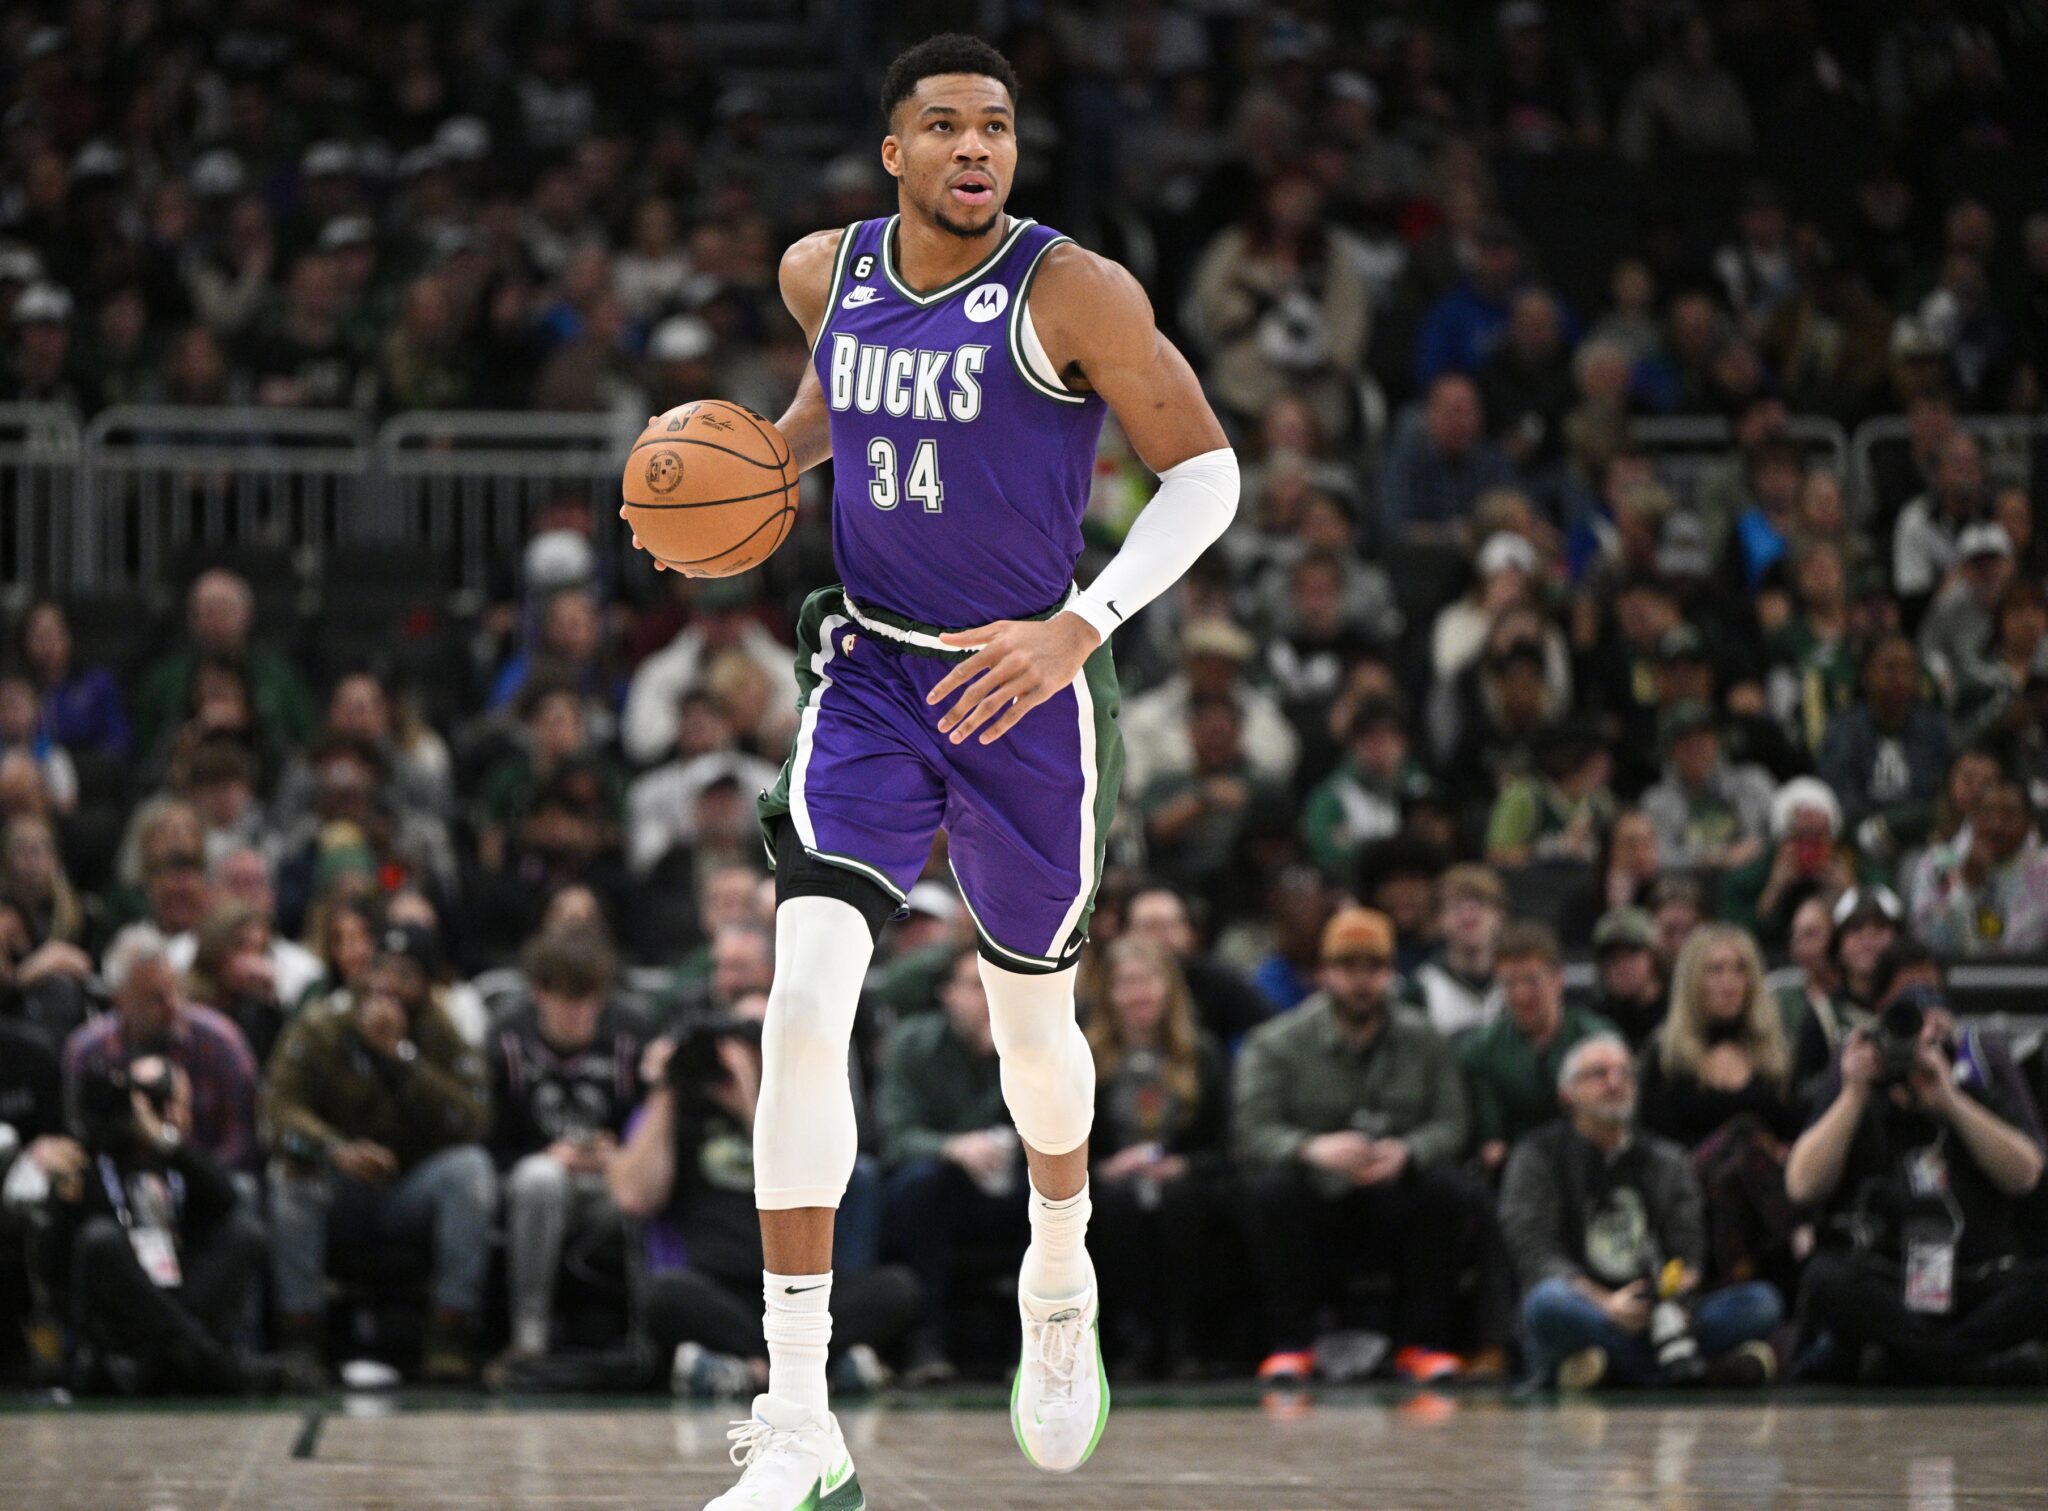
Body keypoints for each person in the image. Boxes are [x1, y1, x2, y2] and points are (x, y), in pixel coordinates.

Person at [637, 40, 1246, 1494]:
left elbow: (1208, 474)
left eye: (997, 127)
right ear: (893, 153)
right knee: (801, 1002)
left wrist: (1078, 625)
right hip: (872, 675)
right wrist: (748, 469)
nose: (976, 147)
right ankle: (799, 1419)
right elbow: (838, 413)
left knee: (1032, 1036)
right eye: (946, 126)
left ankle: (1059, 1262)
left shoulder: (1074, 290)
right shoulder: (821, 272)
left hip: (1026, 684)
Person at [1235, 908, 1478, 1386]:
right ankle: (1291, 1346)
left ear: (1391, 974)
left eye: (1374, 968)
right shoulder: (1277, 1042)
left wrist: (1408, 1151)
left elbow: (1452, 1123)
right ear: (1324, 973)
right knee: (1272, 1191)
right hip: (1317, 1197)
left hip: (1394, 1192)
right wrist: (1310, 1148)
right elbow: (1251, 1129)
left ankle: (1421, 1345)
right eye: (1348, 968)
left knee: (1447, 1188)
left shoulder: (1426, 1040)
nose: (1362, 981)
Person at [262, 924, 496, 1382]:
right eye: (379, 969)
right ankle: (300, 1340)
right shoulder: (322, 1024)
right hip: (339, 1186)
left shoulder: (441, 1030)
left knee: (471, 1170)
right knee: (289, 1175)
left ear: (426, 985)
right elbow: (278, 1110)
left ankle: (449, 1338)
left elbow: (474, 1121)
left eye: (404, 975)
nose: (387, 985)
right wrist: (333, 1149)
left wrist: (402, 1059)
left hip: (411, 1189)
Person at [1788, 987, 2048, 1384]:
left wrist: (1950, 1101)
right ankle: (1968, 1364)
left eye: (1933, 1033)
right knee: (1825, 1278)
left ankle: (1924, 1360)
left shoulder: (1972, 1087)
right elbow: (1801, 1185)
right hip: (1892, 1281)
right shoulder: (1857, 1089)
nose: (1917, 1046)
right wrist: (1853, 1094)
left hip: (1975, 1278)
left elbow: (2026, 1174)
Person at [1501, 1035, 1782, 1390]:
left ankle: (1610, 1370)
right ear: (1567, 1094)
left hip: (1660, 1314)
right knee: (1546, 1304)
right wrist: (1607, 1304)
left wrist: (1662, 1299)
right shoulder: (1535, 1156)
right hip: (1585, 1306)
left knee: (1762, 1303)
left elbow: (1688, 1256)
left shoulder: (1667, 1160)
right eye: (1599, 1074)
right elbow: (1536, 1255)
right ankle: (1693, 1370)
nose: (1615, 1082)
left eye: (1625, 1073)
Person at [26, 1058, 303, 1394]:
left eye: (168, 1101)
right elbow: (57, 1263)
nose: (157, 1111)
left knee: (247, 1233)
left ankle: (177, 1362)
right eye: (145, 1101)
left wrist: (164, 1142)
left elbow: (226, 1198)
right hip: (123, 1328)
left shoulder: (183, 1163)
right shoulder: (93, 1158)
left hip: (181, 1298)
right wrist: (63, 1193)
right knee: (101, 1240)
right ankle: (215, 1366)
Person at [489, 926, 645, 1362]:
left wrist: (620, 1155)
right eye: (565, 997)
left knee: (642, 1194)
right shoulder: (507, 1040)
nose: (577, 1010)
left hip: (609, 1181)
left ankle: (644, 1335)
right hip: (529, 1180)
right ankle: (529, 1333)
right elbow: (488, 1144)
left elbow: (651, 1126)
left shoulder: (631, 1037)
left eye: (588, 997)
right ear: (540, 993)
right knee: (541, 1179)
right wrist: (544, 1156)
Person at [1083, 937, 1228, 1378]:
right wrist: (1104, 1167)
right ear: (1108, 993)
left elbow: (1224, 1143)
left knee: (1183, 1200)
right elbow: (1065, 1138)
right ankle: (1133, 1339)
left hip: (1184, 1177)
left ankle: (1183, 1338)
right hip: (1111, 1179)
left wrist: (1185, 1165)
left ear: (1169, 989)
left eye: (1147, 982)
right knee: (1115, 1203)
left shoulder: (1201, 1053)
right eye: (1126, 984)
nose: (1138, 994)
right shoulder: (1083, 1054)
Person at [64, 926, 261, 1175]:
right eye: (156, 998)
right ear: (121, 1002)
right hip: (122, 1179)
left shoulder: (220, 1041)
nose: (172, 1005)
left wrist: (191, 1172)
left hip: (213, 1180)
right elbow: (80, 1135)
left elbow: (242, 1142)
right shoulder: (90, 1052)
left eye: (175, 990)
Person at [1461, 923, 1618, 1176]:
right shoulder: (1482, 1051)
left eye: (1532, 981)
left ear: (1558, 979)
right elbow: (1492, 1142)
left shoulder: (1598, 1040)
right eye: (1509, 983)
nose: (1521, 995)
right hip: (1515, 1172)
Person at [1907, 773, 2048, 957]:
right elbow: (1929, 942)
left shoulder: (2043, 869)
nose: (1996, 824)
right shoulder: (1937, 864)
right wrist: (1968, 889)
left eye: (2009, 814)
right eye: (1987, 813)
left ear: (2029, 821)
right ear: (1972, 816)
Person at [1409, 864, 1507, 1041]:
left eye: (1480, 904)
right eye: (1456, 906)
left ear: (1499, 914)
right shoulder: (1422, 986)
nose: (1468, 915)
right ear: (1439, 920)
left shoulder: (1519, 979)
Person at [1588, 907, 1667, 1051]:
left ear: (1654, 956)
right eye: (1611, 958)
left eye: (1631, 954)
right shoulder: (1595, 1022)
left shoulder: (1678, 1011)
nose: (1621, 967)